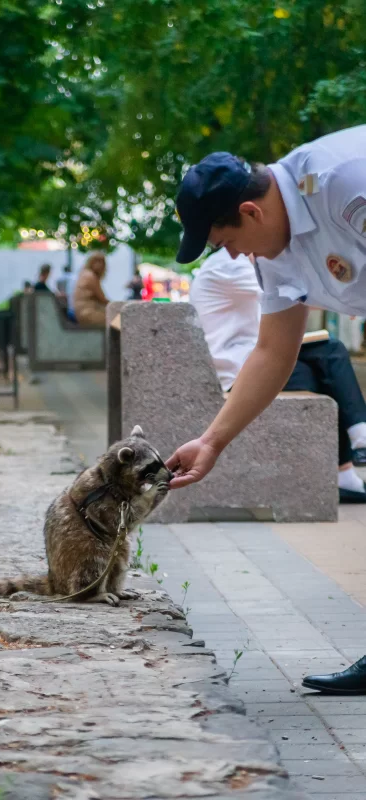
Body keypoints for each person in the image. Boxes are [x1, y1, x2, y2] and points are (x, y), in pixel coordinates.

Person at [168, 125, 366, 693]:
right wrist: (212, 441)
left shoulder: (340, 180)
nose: (230, 255)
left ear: (250, 212)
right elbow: (273, 350)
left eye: (224, 240)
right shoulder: (275, 250)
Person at [190, 247, 366, 502]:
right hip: (238, 370)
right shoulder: (230, 265)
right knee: (326, 364)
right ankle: (353, 452)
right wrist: (347, 298)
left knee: (328, 355)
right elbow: (289, 295)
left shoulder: (229, 263)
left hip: (245, 360)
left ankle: (353, 453)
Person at [73, 251, 109, 327]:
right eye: (96, 261)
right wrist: (118, 305)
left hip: (82, 312)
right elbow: (102, 298)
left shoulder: (85, 273)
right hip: (88, 313)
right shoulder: (90, 276)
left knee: (117, 320)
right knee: (119, 321)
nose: (100, 265)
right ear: (90, 262)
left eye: (102, 262)